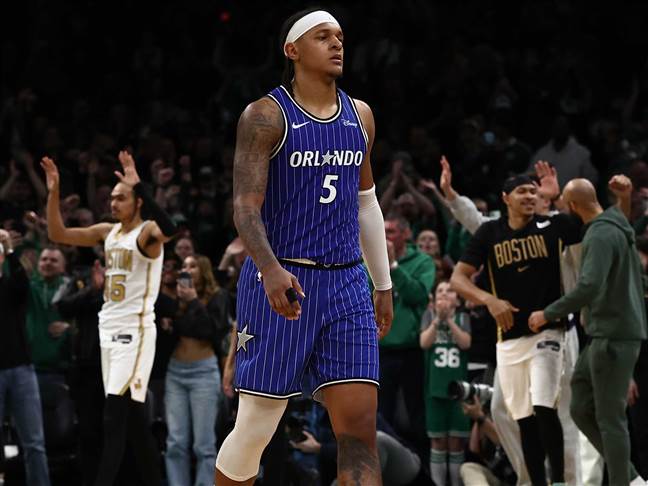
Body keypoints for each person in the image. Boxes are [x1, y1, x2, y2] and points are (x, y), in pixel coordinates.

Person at [214, 8, 393, 485]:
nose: (337, 44)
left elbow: (366, 202)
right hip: (284, 279)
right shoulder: (265, 116)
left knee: (359, 432)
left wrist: (383, 283)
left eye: (340, 37)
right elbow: (244, 209)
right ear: (292, 50)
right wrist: (269, 268)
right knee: (255, 429)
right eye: (323, 37)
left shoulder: (361, 116)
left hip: (347, 283)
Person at [440, 156, 585, 485]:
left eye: (537, 193)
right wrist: (450, 195)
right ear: (506, 199)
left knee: (554, 410)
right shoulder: (493, 231)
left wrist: (559, 198)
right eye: (525, 192)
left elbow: (582, 224)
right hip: (511, 338)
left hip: (556, 328)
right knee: (507, 411)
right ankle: (531, 478)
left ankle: (568, 480)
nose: (532, 197)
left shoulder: (554, 226)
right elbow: (473, 224)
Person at [41, 151, 177, 486]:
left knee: (113, 416)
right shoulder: (108, 232)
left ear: (138, 201)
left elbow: (170, 229)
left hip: (135, 332)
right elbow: (58, 234)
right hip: (107, 332)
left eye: (121, 197)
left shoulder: (146, 234)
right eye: (112, 198)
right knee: (133, 421)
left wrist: (140, 184)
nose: (112, 203)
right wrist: (54, 192)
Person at [528, 178, 648, 486]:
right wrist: (625, 197)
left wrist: (547, 313)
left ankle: (623, 483)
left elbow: (589, 285)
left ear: (572, 206)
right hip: (605, 333)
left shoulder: (599, 234)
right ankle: (632, 479)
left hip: (612, 336)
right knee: (580, 407)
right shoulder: (617, 223)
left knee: (611, 419)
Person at [165, 254, 230, 486]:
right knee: (175, 442)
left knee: (203, 444)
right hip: (175, 372)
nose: (187, 269)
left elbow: (212, 331)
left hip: (203, 373)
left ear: (203, 270)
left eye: (193, 266)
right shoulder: (175, 299)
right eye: (184, 266)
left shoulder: (217, 296)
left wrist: (193, 301)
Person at [378, 215, 435, 457]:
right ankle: (386, 465)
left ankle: (421, 467)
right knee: (383, 411)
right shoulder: (370, 259)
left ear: (406, 234)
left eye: (391, 232)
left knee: (416, 412)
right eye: (383, 231)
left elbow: (418, 295)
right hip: (382, 348)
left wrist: (392, 266)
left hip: (412, 349)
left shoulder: (422, 261)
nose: (385, 237)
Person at [0, 229, 51, 486]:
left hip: (21, 369)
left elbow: (22, 282)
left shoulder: (12, 286)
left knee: (34, 443)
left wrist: (10, 249)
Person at [420, 281, 471, 486]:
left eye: (449, 291)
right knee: (438, 441)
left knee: (456, 442)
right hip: (434, 389)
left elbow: (465, 343)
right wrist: (438, 320)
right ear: (434, 299)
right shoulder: (428, 316)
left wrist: (448, 319)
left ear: (457, 300)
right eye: (440, 291)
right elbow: (424, 343)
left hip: (458, 390)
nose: (444, 294)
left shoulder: (463, 317)